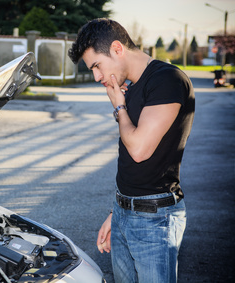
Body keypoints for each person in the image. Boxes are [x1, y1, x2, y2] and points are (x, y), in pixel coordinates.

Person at [68, 18, 195, 283]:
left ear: (117, 48)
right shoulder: (131, 87)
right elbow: (132, 164)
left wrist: (119, 108)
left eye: (97, 66)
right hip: (125, 212)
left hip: (154, 220)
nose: (96, 77)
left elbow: (138, 150)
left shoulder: (167, 80)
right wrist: (117, 212)